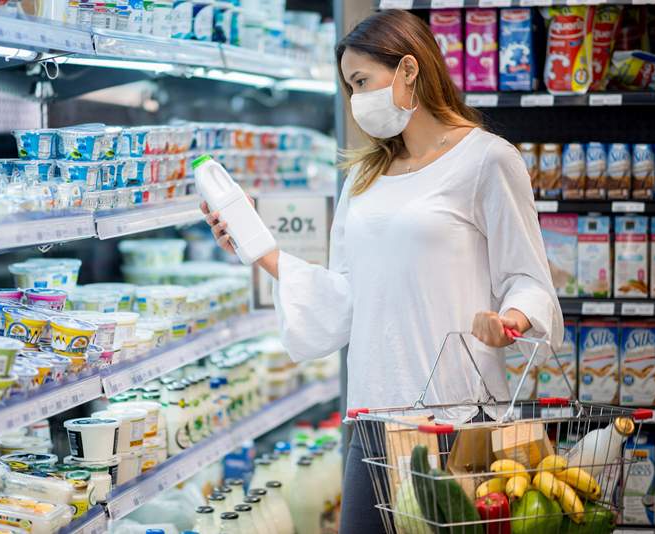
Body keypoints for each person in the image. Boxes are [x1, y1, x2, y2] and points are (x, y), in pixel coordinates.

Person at [201, 9, 563, 534]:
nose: (355, 100)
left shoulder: (486, 160)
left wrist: (510, 318)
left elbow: (530, 279)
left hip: (456, 418)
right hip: (373, 420)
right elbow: (346, 297)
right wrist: (261, 252)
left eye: (362, 81)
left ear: (409, 70)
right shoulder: (366, 177)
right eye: (349, 87)